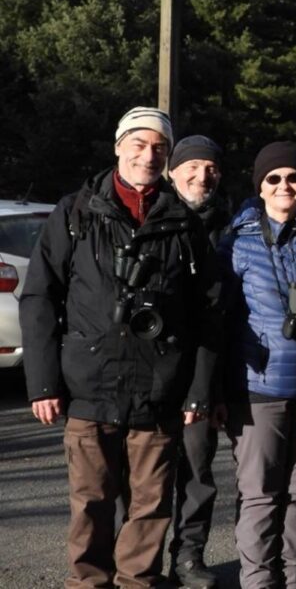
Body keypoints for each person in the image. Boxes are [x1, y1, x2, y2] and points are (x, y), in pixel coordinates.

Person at [20, 106, 222, 588]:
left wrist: (197, 391)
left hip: (160, 390)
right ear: (118, 147)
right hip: (89, 385)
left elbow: (209, 314)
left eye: (158, 148)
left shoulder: (185, 225)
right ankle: (88, 583)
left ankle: (138, 583)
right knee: (90, 503)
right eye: (138, 144)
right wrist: (43, 383)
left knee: (150, 508)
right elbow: (39, 297)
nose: (148, 155)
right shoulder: (76, 212)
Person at [219, 141, 296, 588]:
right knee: (260, 495)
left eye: (293, 177)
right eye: (274, 179)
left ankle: (295, 578)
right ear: (260, 186)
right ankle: (258, 581)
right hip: (259, 388)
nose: (284, 185)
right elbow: (224, 318)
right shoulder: (237, 243)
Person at [166, 135, 232, 589]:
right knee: (139, 475)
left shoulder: (231, 229)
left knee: (196, 473)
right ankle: (138, 558)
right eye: (191, 166)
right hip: (148, 369)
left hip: (204, 372)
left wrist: (215, 387)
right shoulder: (153, 218)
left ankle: (188, 557)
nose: (200, 175)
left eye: (210, 168)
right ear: (172, 172)